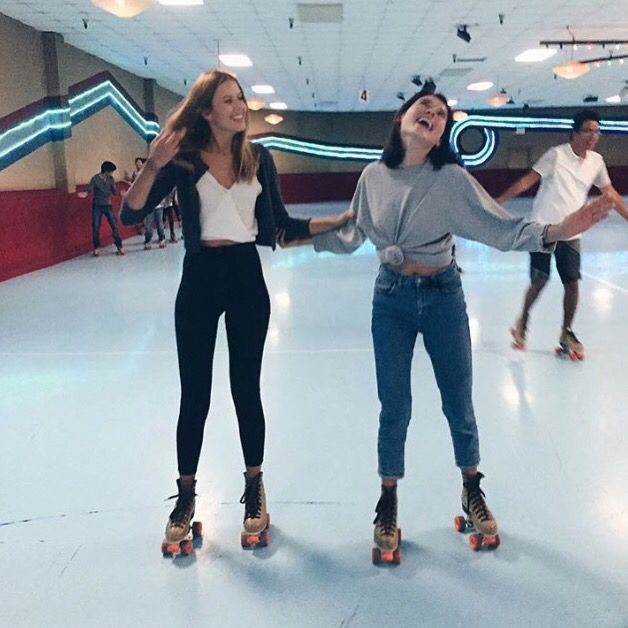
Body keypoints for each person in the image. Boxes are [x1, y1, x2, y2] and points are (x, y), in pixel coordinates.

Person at [285, 88, 612, 559]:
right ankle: (388, 498)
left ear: (441, 134)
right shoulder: (373, 177)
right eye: (425, 108)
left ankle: (471, 487)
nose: (433, 115)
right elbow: (350, 232)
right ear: (402, 118)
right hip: (391, 299)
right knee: (393, 406)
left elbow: (501, 228)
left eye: (441, 114)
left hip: (442, 297)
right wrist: (293, 237)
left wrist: (558, 231)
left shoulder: (452, 180)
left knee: (459, 402)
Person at [120, 69, 347, 550]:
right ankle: (185, 497)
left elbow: (278, 228)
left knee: (246, 388)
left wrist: (340, 221)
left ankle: (254, 487)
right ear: (206, 110)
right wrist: (153, 164)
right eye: (228, 100)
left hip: (246, 278)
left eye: (240, 98)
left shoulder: (258, 159)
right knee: (195, 394)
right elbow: (131, 214)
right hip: (200, 280)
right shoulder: (181, 161)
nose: (239, 106)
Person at [495, 110, 627, 357]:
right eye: (587, 130)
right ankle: (522, 321)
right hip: (541, 229)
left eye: (596, 131)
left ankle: (567, 331)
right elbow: (528, 180)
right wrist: (499, 200)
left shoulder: (596, 161)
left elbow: (611, 194)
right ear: (574, 133)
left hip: (571, 230)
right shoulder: (556, 155)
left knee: (572, 283)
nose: (593, 136)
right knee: (540, 280)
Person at [86, 161, 125, 256]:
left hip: (108, 205)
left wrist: (120, 193)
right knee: (95, 226)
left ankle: (119, 247)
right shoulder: (95, 179)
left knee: (114, 225)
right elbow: (90, 189)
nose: (112, 173)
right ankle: (96, 248)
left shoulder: (111, 179)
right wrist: (86, 193)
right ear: (106, 171)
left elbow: (114, 191)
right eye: (111, 171)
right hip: (97, 205)